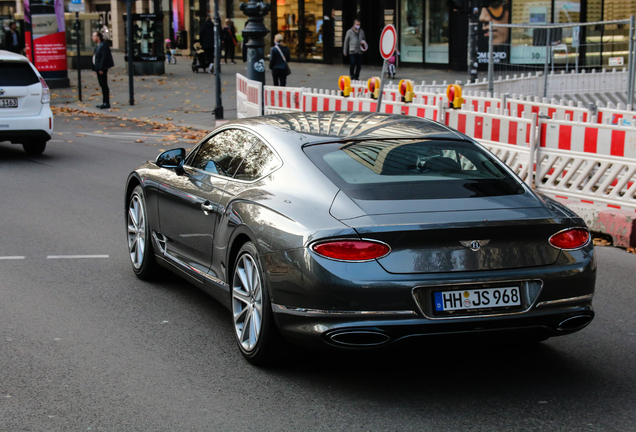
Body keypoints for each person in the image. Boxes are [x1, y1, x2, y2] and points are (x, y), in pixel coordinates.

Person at [92, 31, 114, 109]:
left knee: (104, 85)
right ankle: (104, 102)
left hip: (102, 69)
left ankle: (106, 103)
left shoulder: (103, 45)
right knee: (102, 85)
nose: (92, 38)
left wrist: (101, 68)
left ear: (98, 37)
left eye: (94, 36)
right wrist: (95, 68)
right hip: (98, 68)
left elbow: (104, 57)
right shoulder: (98, 46)